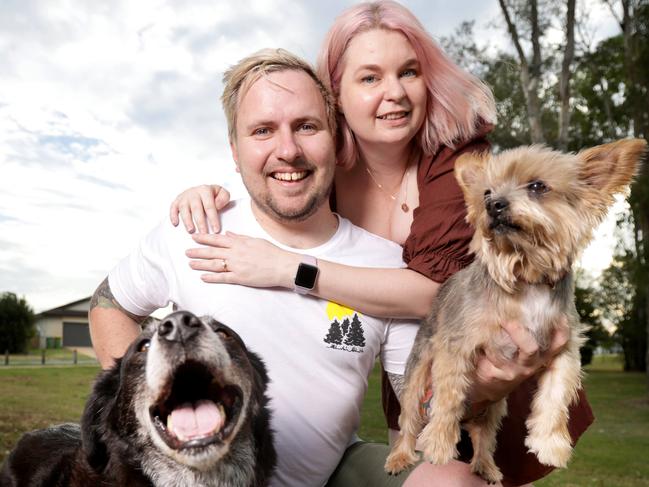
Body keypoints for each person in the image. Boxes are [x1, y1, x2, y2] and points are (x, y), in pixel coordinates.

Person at [169, 2, 594, 485]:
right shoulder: (318, 170)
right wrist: (208, 196)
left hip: (497, 350)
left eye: (408, 72)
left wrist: (292, 268)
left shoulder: (457, 160)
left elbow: (436, 292)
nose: (394, 93)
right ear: (335, 96)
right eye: (370, 78)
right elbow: (269, 185)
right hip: (411, 366)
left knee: (478, 470)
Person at [90, 48, 505, 487]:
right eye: (262, 131)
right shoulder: (194, 228)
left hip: (329, 472)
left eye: (306, 126)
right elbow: (108, 303)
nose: (287, 151)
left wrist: (486, 383)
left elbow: (415, 403)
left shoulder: (382, 265)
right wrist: (140, 405)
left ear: (335, 138)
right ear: (235, 150)